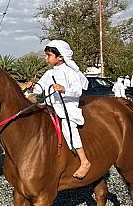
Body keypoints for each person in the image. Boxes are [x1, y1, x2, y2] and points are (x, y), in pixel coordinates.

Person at [25, 39, 91, 179]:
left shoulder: (70, 72)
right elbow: (41, 87)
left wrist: (63, 89)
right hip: (51, 107)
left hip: (67, 107)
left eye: (48, 55)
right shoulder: (50, 73)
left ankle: (84, 161)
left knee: (68, 127)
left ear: (60, 57)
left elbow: (78, 91)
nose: (46, 58)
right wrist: (32, 86)